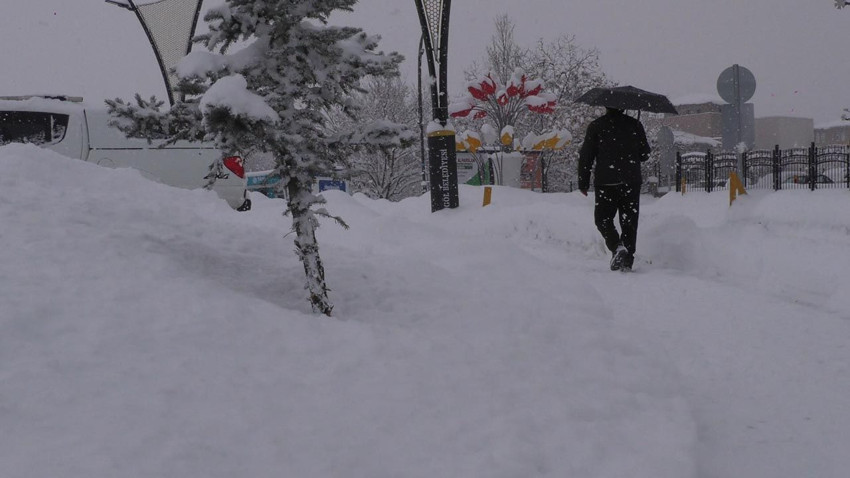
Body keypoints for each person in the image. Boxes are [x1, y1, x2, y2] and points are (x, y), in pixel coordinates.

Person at [577, 107, 651, 271]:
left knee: (602, 218)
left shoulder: (596, 126)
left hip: (606, 182)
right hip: (631, 181)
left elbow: (586, 155)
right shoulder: (635, 125)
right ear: (624, 107)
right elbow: (645, 154)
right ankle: (627, 259)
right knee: (629, 221)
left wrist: (583, 182)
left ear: (605, 107)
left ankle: (617, 247)